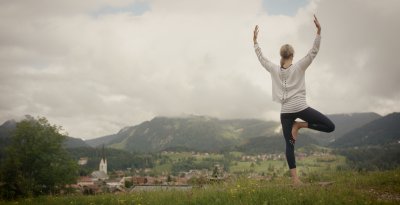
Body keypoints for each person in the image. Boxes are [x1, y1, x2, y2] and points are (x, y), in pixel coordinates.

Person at [253, 15, 335, 185]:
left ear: (281, 55)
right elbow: (313, 52)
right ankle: (301, 125)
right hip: (301, 108)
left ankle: (296, 181)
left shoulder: (274, 69)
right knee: (330, 126)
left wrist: (255, 42)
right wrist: (319, 32)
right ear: (292, 55)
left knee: (289, 146)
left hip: (285, 113)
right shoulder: (299, 66)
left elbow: (261, 59)